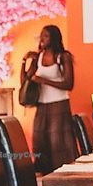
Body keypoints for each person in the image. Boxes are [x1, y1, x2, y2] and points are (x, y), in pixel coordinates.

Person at [23, 24, 76, 173]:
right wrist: (24, 61)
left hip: (59, 104)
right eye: (41, 36)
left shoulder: (63, 57)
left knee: (57, 142)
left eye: (46, 36)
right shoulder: (38, 57)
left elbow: (69, 84)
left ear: (54, 38)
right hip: (42, 105)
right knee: (40, 140)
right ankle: (46, 175)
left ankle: (62, 176)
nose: (42, 39)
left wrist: (44, 81)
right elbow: (26, 81)